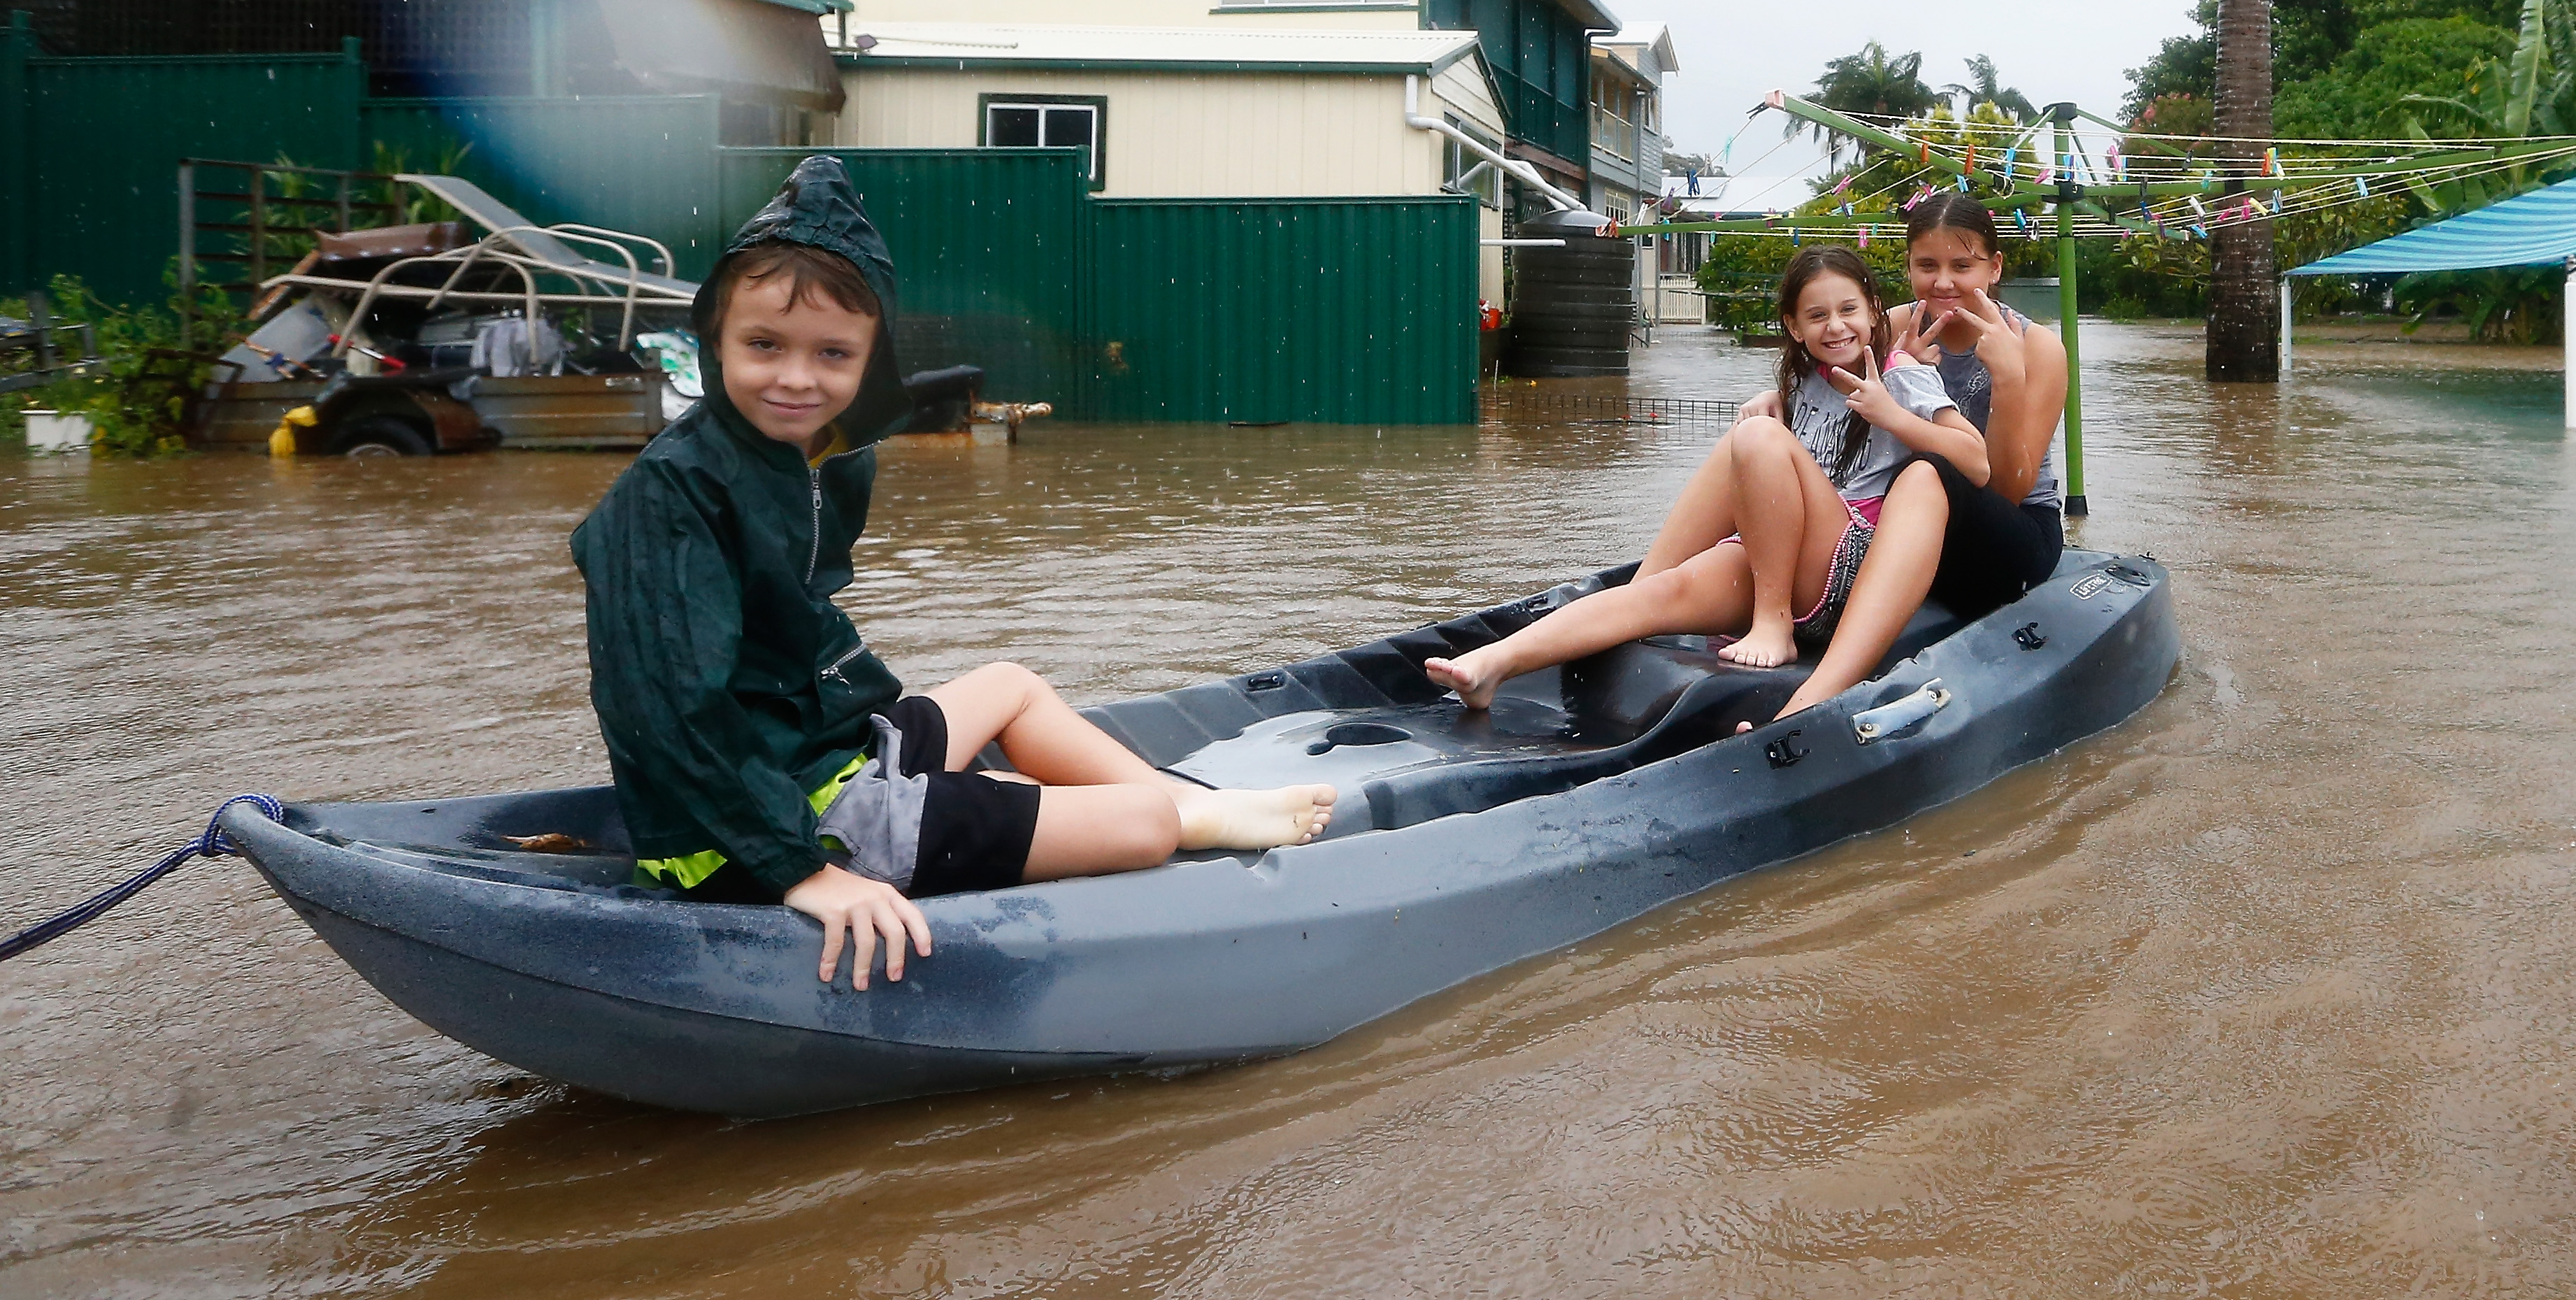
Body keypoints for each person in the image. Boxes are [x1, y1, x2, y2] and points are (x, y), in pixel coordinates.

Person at [575, 158, 1335, 991]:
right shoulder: (671, 495)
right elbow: (666, 710)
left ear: (870, 360)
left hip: (827, 754)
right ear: (714, 339)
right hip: (764, 829)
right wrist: (804, 872)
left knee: (1009, 684)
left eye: (832, 353)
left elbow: (801, 637)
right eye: (764, 345)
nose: (796, 377)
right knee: (1144, 825)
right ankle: (1174, 814)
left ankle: (1192, 804)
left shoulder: (824, 458)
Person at [1425, 245, 1987, 720]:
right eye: (1816, 316)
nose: (1835, 326)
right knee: (1657, 593)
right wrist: (1778, 405)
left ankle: (1773, 626)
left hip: (1846, 571)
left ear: (1873, 312)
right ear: (1793, 326)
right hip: (1776, 559)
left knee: (1754, 438)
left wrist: (1893, 415)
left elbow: (1976, 461)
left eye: (1848, 310)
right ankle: (1494, 665)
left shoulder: (1901, 375)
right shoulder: (1805, 380)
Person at [1738, 192, 2071, 618]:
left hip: (2008, 528)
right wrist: (1776, 400)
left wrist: (2008, 379)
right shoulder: (1892, 325)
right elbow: (1832, 400)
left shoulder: (2037, 347)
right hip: (1899, 517)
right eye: (1927, 266)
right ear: (1909, 266)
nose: (1944, 283)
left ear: (1995, 268)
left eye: (1963, 267)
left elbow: (2010, 489)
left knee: (1931, 472)